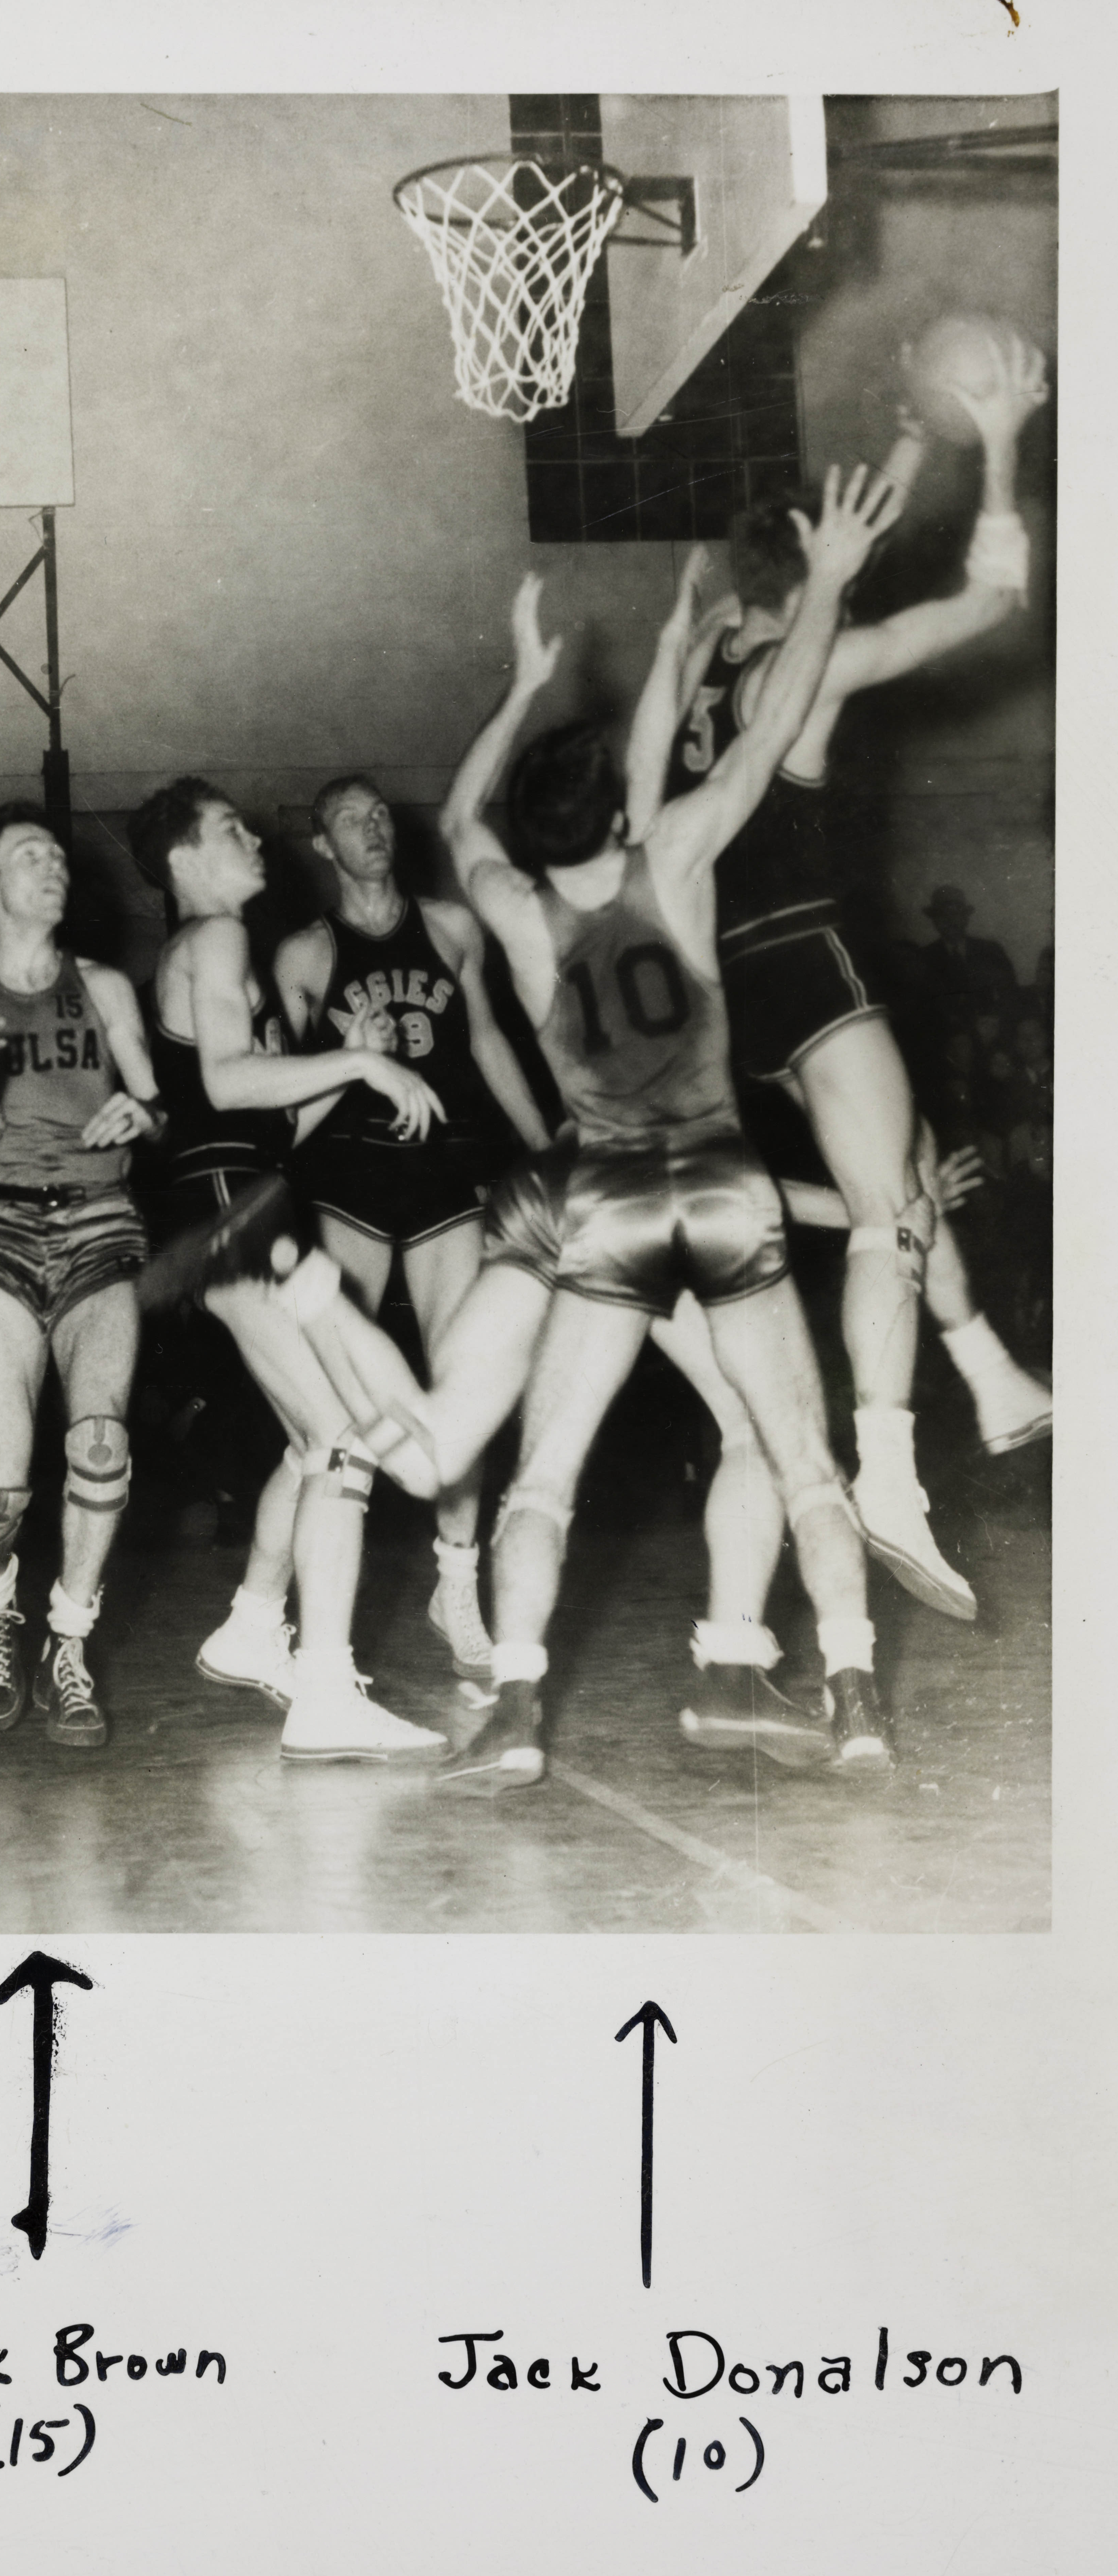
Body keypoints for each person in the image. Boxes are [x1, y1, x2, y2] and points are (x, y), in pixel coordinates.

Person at [274, 468, 907, 1785]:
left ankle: (514, 1704)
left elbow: (453, 820)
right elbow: (769, 726)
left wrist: (518, 680)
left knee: (542, 1478)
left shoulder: (508, 907)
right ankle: (850, 1692)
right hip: (726, 1182)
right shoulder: (672, 859)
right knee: (800, 1454)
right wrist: (831, 579)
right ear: (619, 813)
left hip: (605, 1197)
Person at [652, 333, 1052, 1615]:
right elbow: (989, 600)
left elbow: (834, 555)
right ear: (810, 573)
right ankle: (889, 1469)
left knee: (913, 1163)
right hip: (807, 961)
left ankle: (988, 1376)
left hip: (723, 977)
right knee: (888, 1211)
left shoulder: (711, 643)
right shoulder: (805, 672)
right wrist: (994, 440)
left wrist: (909, 438)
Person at [131, 777, 448, 1762]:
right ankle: (323, 1691)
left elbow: (262, 1115)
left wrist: (341, 1061)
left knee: (312, 1445)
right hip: (233, 1210)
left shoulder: (218, 953)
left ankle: (254, 1622)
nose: (253, 839)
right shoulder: (216, 938)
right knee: (348, 1438)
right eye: (230, 829)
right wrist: (363, 1067)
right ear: (184, 859)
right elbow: (228, 1081)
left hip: (239, 1198)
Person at [0, 804, 165, 1748]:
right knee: (0, 1492)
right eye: (29, 855)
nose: (53, 865)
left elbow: (157, 1103)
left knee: (100, 1441)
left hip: (102, 1220)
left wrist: (142, 1116)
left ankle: (71, 1643)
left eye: (57, 853)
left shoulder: (103, 986)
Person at [275, 776, 551, 1678]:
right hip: (351, 1180)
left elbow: (485, 1044)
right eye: (350, 817)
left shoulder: (450, 926)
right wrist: (353, 1055)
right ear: (323, 843)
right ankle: (311, 1620)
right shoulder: (306, 955)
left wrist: (544, 1146)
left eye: (381, 813)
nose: (372, 827)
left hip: (440, 1177)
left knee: (461, 1390)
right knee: (342, 1402)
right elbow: (288, 1097)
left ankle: (456, 1587)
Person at [917, 886, 1019, 1033]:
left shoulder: (991, 951)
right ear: (935, 922)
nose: (950, 921)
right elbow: (925, 1010)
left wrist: (996, 1019)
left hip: (994, 1032)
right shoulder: (925, 958)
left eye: (956, 914)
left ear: (966, 918)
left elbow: (1011, 993)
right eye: (942, 916)